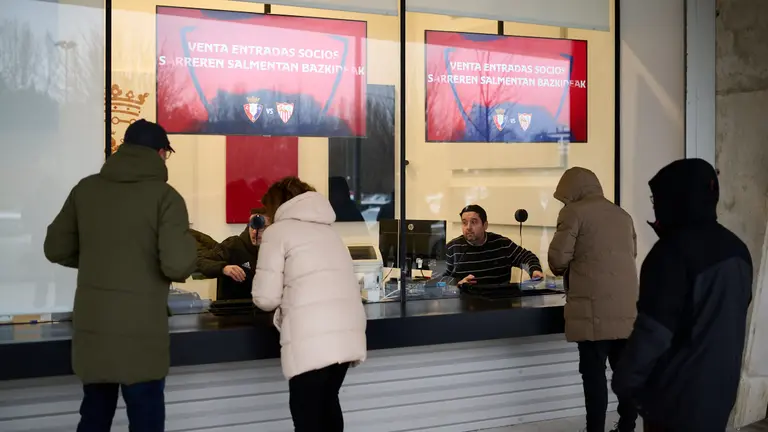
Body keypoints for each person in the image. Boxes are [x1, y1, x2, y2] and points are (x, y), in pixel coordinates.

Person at [43, 119, 197, 432]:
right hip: (141, 334)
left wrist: (96, 261)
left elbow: (55, 248)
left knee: (95, 416)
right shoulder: (165, 197)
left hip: (94, 328)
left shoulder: (85, 190)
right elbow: (178, 265)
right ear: (160, 153)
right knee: (145, 421)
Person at [612, 158, 753, 432]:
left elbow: (653, 332)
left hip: (675, 399)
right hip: (720, 392)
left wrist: (625, 380)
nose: (654, 207)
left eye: (657, 198)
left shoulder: (671, 253)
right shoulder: (737, 249)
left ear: (675, 197)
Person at [251, 176, 367, 432]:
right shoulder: (329, 231)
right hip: (346, 333)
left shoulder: (277, 232)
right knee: (328, 405)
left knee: (307, 417)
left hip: (311, 338)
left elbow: (265, 298)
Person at [547, 167, 639, 432]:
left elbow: (557, 260)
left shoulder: (573, 213)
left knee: (594, 375)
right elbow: (630, 253)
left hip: (592, 309)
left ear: (572, 190)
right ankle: (627, 426)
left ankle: (595, 429)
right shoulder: (623, 215)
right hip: (626, 309)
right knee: (624, 373)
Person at [439, 204, 544, 286]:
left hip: (499, 304)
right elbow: (439, 279)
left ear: (485, 225)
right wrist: (457, 284)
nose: (468, 227)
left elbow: (527, 257)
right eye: (464, 222)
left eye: (474, 222)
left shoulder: (502, 244)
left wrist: (534, 271)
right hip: (464, 305)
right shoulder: (452, 248)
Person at [197, 208, 269, 300]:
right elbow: (201, 261)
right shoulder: (233, 245)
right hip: (233, 311)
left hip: (267, 311)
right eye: (252, 226)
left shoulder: (280, 250)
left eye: (262, 227)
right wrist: (223, 268)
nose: (255, 231)